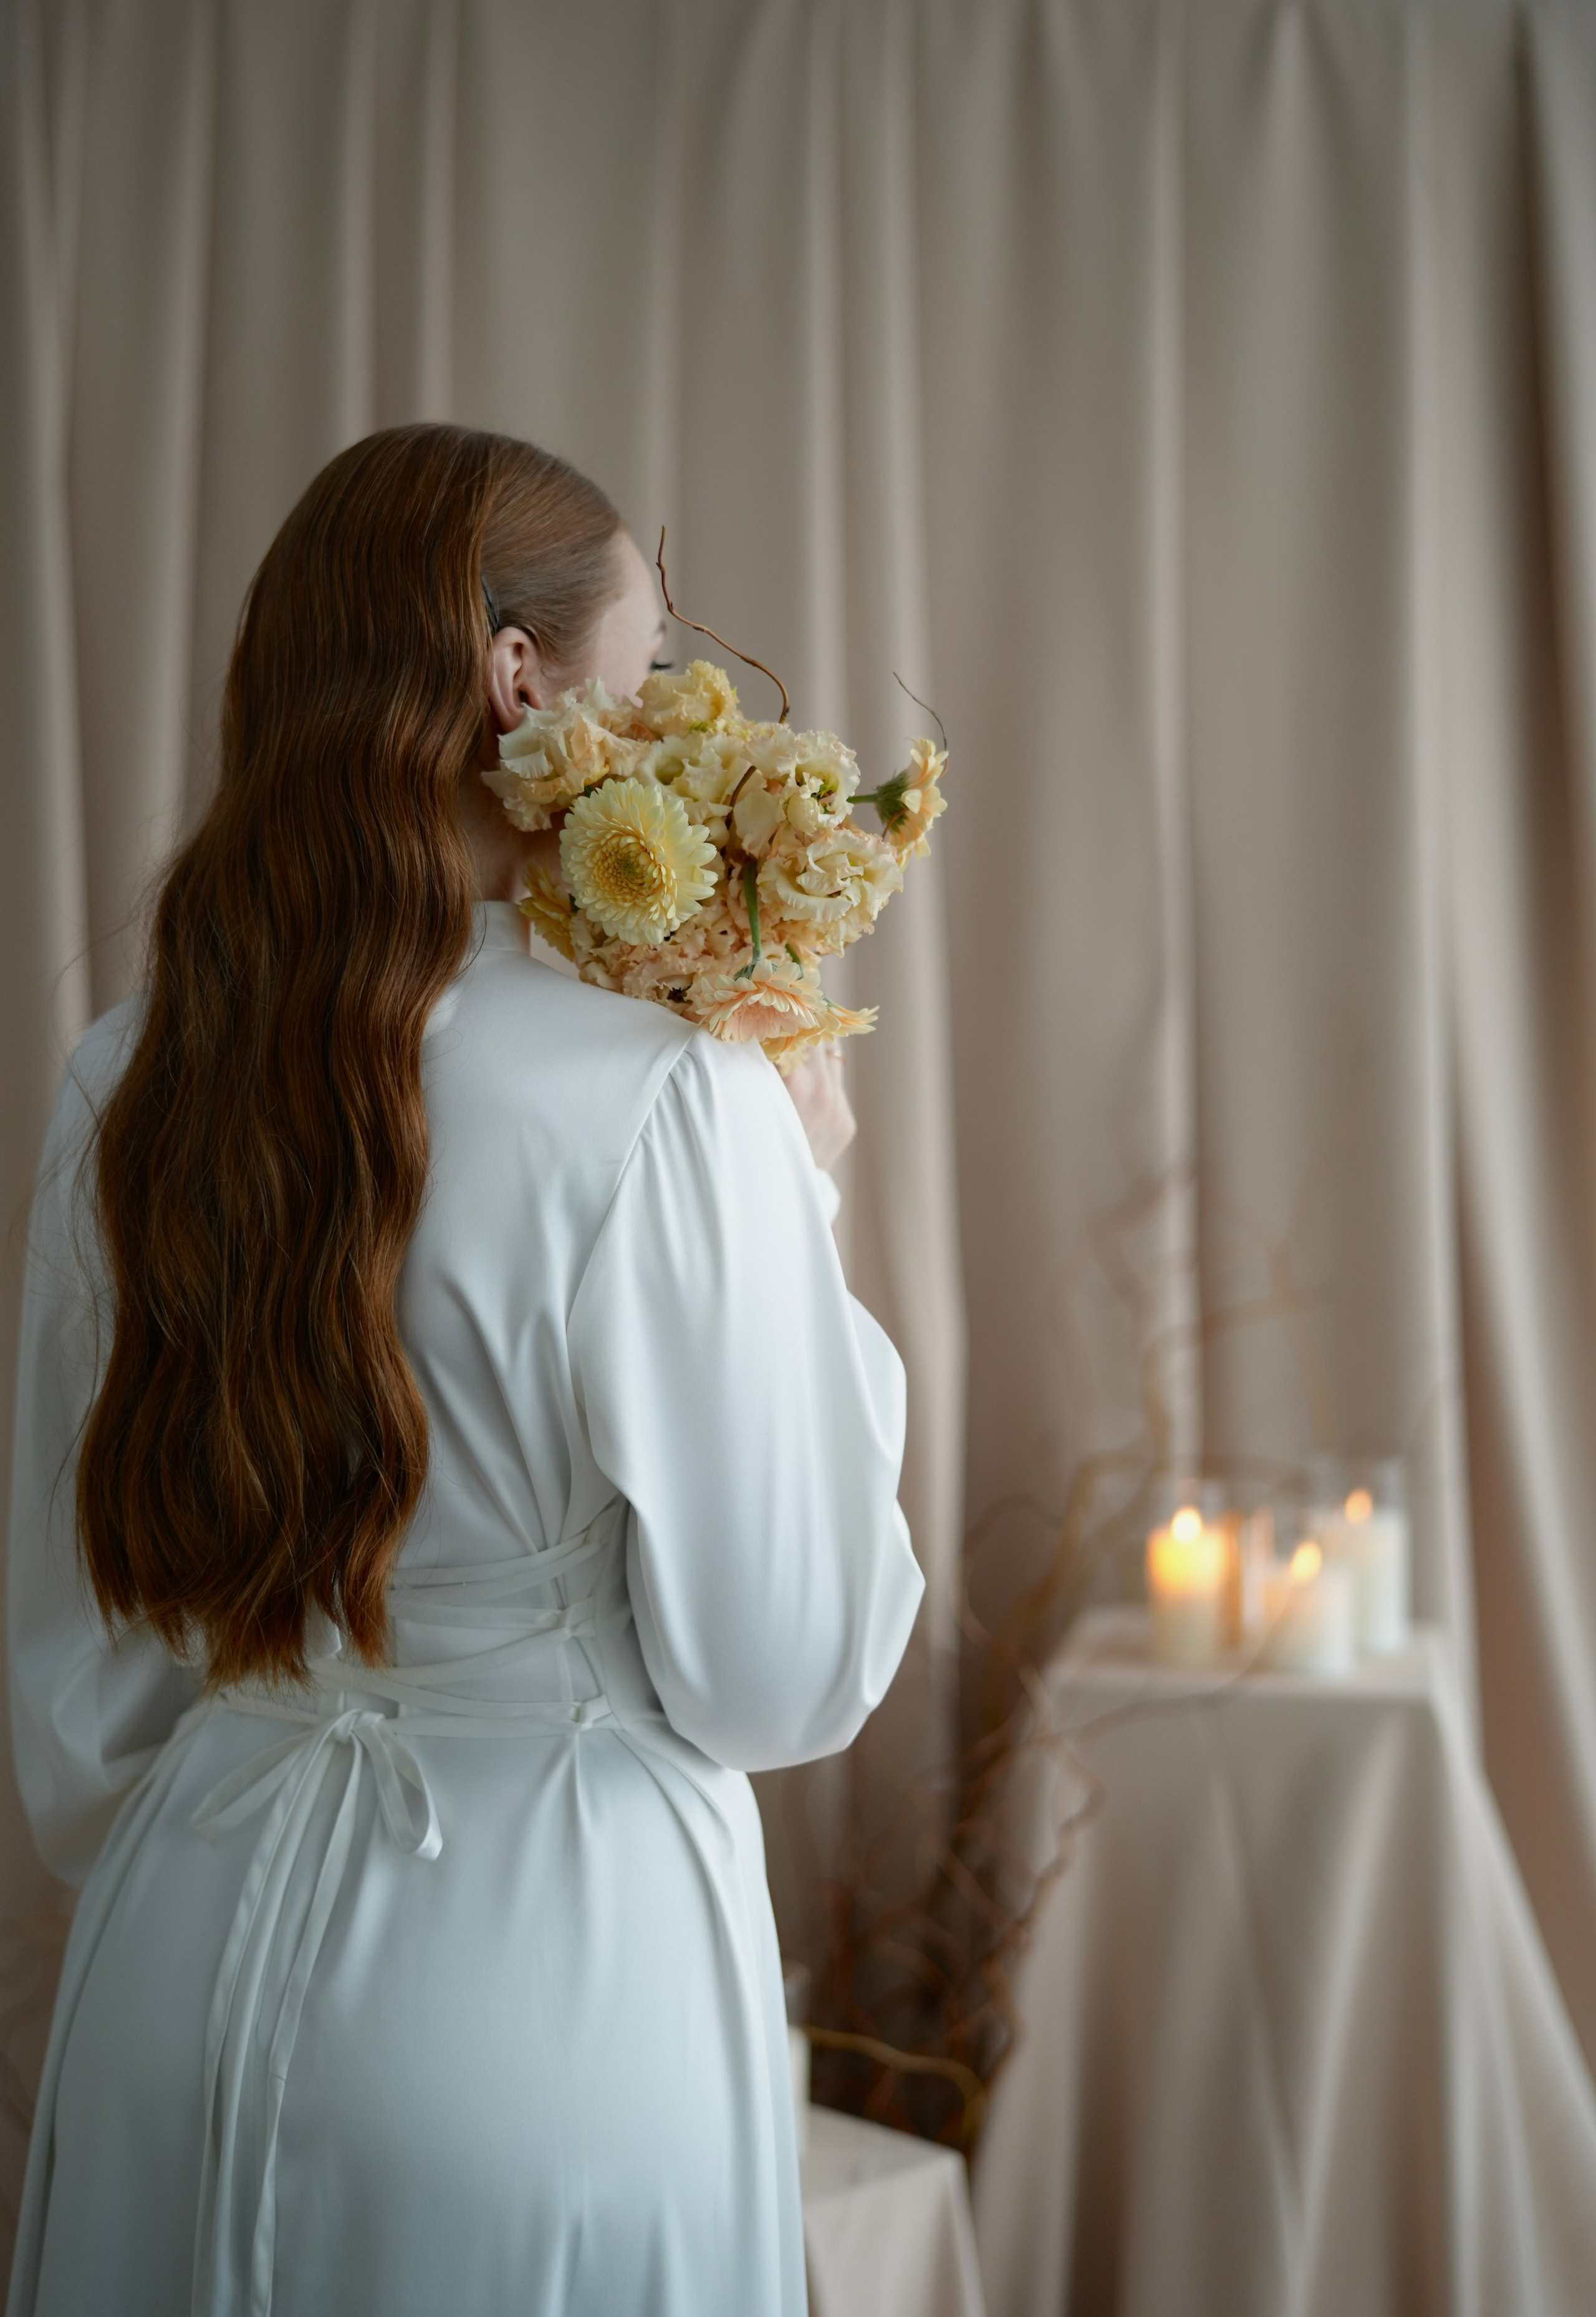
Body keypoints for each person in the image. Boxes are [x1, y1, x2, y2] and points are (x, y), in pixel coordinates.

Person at [6, 424, 922, 2317]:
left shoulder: (123, 1078)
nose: (677, 714)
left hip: (177, 1978)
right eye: (649, 666)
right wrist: (805, 1194)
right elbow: (787, 1663)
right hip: (555, 2005)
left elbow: (85, 1728)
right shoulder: (672, 1095)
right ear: (522, 683)